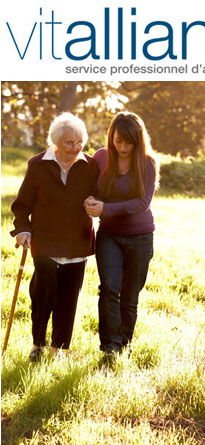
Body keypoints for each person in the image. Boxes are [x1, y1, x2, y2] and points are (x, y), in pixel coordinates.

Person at [10, 112, 99, 362]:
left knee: (69, 299)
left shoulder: (90, 165)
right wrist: (23, 229)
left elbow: (99, 194)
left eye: (80, 141)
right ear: (56, 142)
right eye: (70, 142)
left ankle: (59, 349)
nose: (76, 147)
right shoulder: (38, 165)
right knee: (42, 295)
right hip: (45, 242)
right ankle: (38, 344)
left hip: (77, 242)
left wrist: (96, 202)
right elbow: (21, 206)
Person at [84, 111, 159, 356]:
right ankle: (110, 347)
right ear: (111, 137)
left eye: (129, 143)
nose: (123, 147)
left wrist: (106, 208)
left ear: (138, 141)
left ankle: (124, 345)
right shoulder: (101, 157)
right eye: (118, 142)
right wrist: (92, 201)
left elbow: (142, 203)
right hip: (109, 235)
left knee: (129, 295)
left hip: (140, 236)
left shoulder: (147, 162)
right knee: (108, 288)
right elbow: (90, 189)